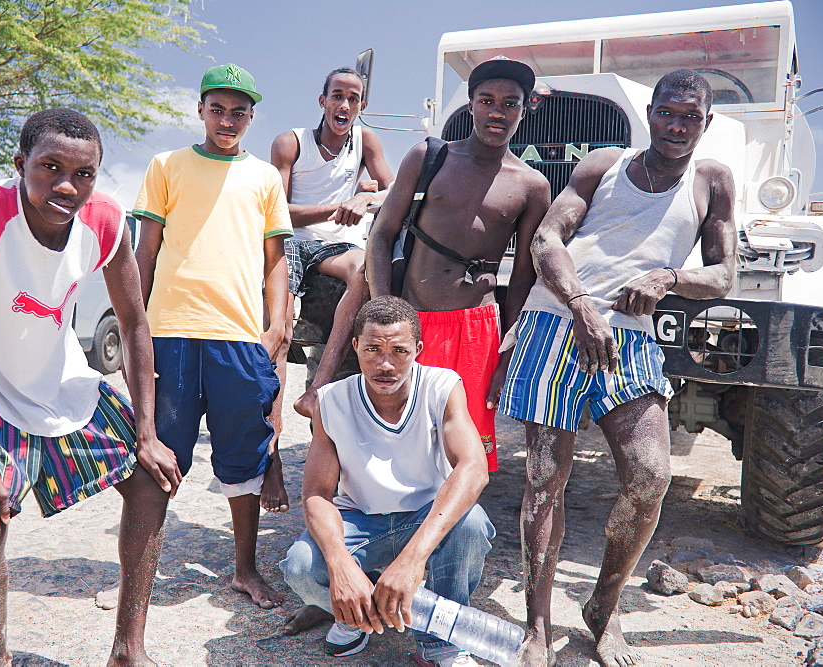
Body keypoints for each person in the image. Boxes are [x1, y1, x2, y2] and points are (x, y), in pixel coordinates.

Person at [0, 108, 181, 666]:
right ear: (20, 164)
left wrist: (148, 433)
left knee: (153, 481)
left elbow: (132, 325)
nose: (67, 186)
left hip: (58, 382)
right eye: (50, 167)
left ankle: (129, 650)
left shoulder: (105, 221)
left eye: (84, 174)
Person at [498, 69, 736, 666]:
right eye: (667, 113)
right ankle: (537, 624)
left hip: (629, 341)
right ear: (649, 113)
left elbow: (722, 275)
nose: (677, 127)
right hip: (557, 323)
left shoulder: (712, 183)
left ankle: (603, 608)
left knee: (651, 476)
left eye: (690, 117)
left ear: (706, 123)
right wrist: (580, 303)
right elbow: (547, 239)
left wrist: (669, 277)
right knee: (545, 481)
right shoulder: (603, 163)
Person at [132, 63, 293, 610]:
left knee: (242, 457)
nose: (228, 119)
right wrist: (137, 329)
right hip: (171, 333)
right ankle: (138, 578)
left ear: (251, 117)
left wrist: (276, 326)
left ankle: (244, 569)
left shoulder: (265, 178)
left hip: (239, 338)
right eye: (218, 109)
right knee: (157, 459)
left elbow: (275, 262)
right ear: (200, 110)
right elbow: (145, 253)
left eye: (239, 112)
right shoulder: (166, 166)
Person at [279, 296, 494, 666]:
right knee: (300, 567)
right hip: (362, 521)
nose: (385, 364)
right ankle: (358, 614)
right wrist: (342, 567)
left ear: (418, 350)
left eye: (399, 351)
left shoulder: (441, 386)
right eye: (373, 349)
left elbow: (473, 468)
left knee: (471, 525)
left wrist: (412, 560)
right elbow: (316, 493)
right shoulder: (331, 401)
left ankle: (440, 641)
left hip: (426, 517)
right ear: (355, 347)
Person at [366, 58, 550, 473]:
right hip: (413, 322)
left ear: (526, 109)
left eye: (510, 103)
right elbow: (381, 234)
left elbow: (522, 277)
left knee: (464, 452)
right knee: (396, 441)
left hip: (477, 330)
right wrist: (384, 314)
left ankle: (452, 532)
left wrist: (507, 351)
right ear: (471, 106)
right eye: (487, 100)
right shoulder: (429, 157)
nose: (497, 112)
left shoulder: (532, 185)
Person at [269, 66, 394, 423]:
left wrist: (364, 201)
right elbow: (279, 213)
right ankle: (272, 424)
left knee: (364, 271)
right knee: (281, 324)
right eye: (337, 96)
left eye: (353, 99)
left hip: (337, 246)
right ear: (323, 101)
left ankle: (316, 388)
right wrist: (340, 205)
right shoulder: (291, 142)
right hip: (294, 241)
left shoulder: (366, 141)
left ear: (362, 106)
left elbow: (396, 190)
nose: (344, 104)